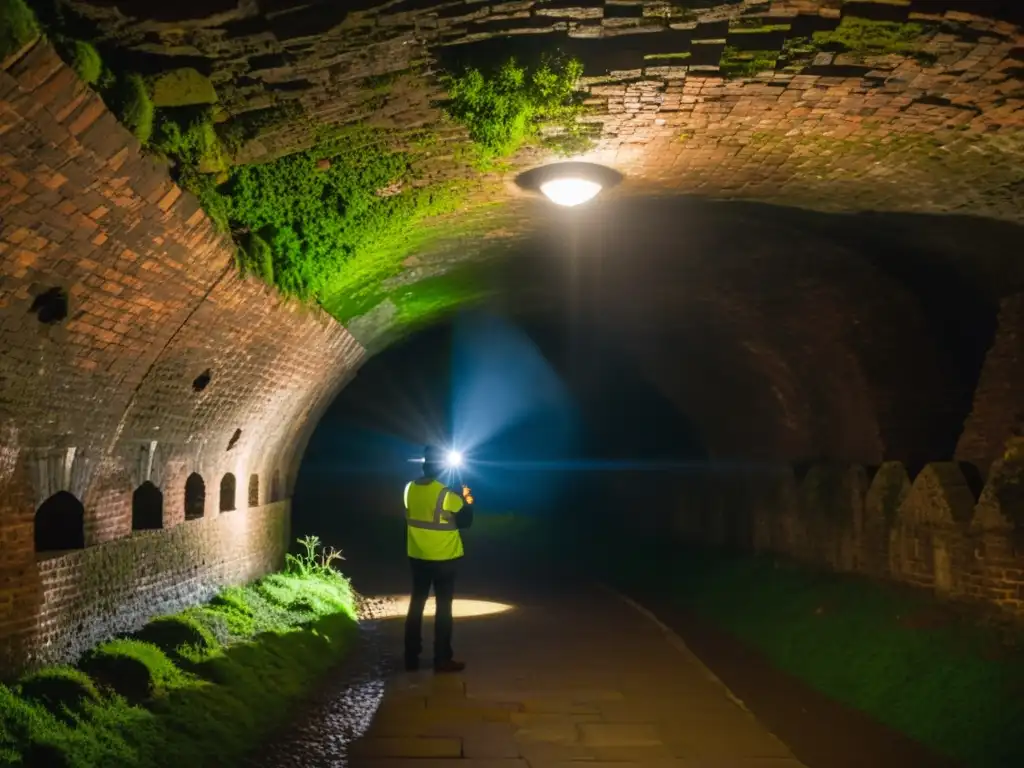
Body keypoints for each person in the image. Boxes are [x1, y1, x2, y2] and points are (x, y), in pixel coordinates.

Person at [403, 445, 474, 673]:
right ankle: (442, 658)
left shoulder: (409, 489)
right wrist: (467, 498)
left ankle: (411, 655)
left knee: (416, 603)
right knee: (443, 608)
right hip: (444, 557)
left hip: (417, 555)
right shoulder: (446, 494)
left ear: (424, 466)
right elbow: (466, 520)